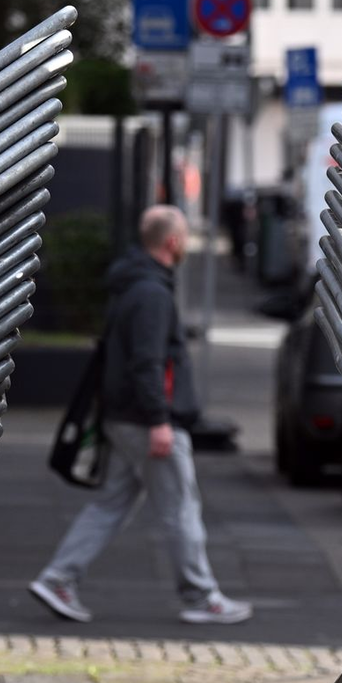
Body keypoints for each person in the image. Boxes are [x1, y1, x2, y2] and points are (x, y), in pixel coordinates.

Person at [30, 205, 253, 625]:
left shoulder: (133, 285)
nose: (185, 242)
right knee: (182, 508)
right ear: (172, 242)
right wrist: (159, 421)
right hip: (146, 421)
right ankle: (201, 596)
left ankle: (58, 578)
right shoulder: (152, 294)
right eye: (184, 236)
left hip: (124, 417)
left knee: (111, 504)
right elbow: (148, 363)